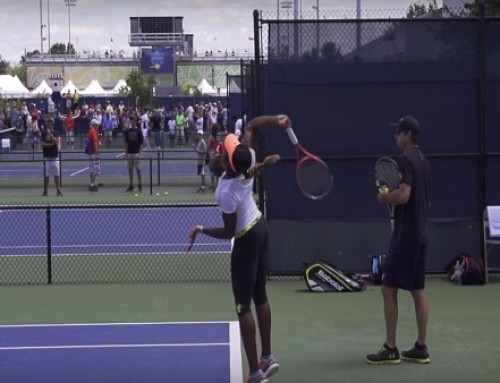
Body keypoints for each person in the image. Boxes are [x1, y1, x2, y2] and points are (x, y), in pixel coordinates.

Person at [187, 114, 289, 383]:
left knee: (243, 307)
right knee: (261, 295)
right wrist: (277, 120)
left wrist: (201, 229)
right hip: (261, 227)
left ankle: (256, 373)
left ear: (228, 162)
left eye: (225, 150)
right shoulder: (250, 157)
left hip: (246, 239)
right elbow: (254, 125)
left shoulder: (225, 192)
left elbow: (229, 231)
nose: (222, 148)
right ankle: (267, 357)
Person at [366, 115, 431, 365]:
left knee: (388, 288)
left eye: (398, 133)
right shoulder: (424, 160)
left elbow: (404, 195)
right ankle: (421, 347)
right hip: (421, 233)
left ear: (407, 135)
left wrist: (386, 198)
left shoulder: (405, 160)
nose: (395, 137)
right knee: (417, 290)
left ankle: (390, 347)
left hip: (406, 236)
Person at [40, 118, 62, 196]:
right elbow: (42, 143)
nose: (48, 125)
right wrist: (50, 145)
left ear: (52, 124)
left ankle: (58, 191)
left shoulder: (55, 132)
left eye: (50, 123)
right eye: (47, 124)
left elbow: (56, 141)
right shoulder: (43, 133)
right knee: (46, 175)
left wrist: (50, 134)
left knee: (56, 174)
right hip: (46, 157)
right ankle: (45, 191)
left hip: (54, 156)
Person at [124, 116, 144, 192]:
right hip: (129, 153)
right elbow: (126, 142)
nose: (132, 122)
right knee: (130, 170)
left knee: (138, 169)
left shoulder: (139, 131)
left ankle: (140, 184)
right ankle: (131, 185)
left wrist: (139, 152)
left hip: (136, 153)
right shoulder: (128, 131)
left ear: (135, 122)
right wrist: (126, 152)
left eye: (133, 121)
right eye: (131, 121)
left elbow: (141, 143)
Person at [87, 119, 101, 192]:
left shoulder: (91, 131)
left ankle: (93, 183)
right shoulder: (93, 132)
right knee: (96, 169)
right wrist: (97, 154)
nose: (98, 126)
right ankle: (92, 184)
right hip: (94, 154)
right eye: (97, 124)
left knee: (92, 169)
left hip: (91, 153)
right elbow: (95, 143)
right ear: (94, 124)